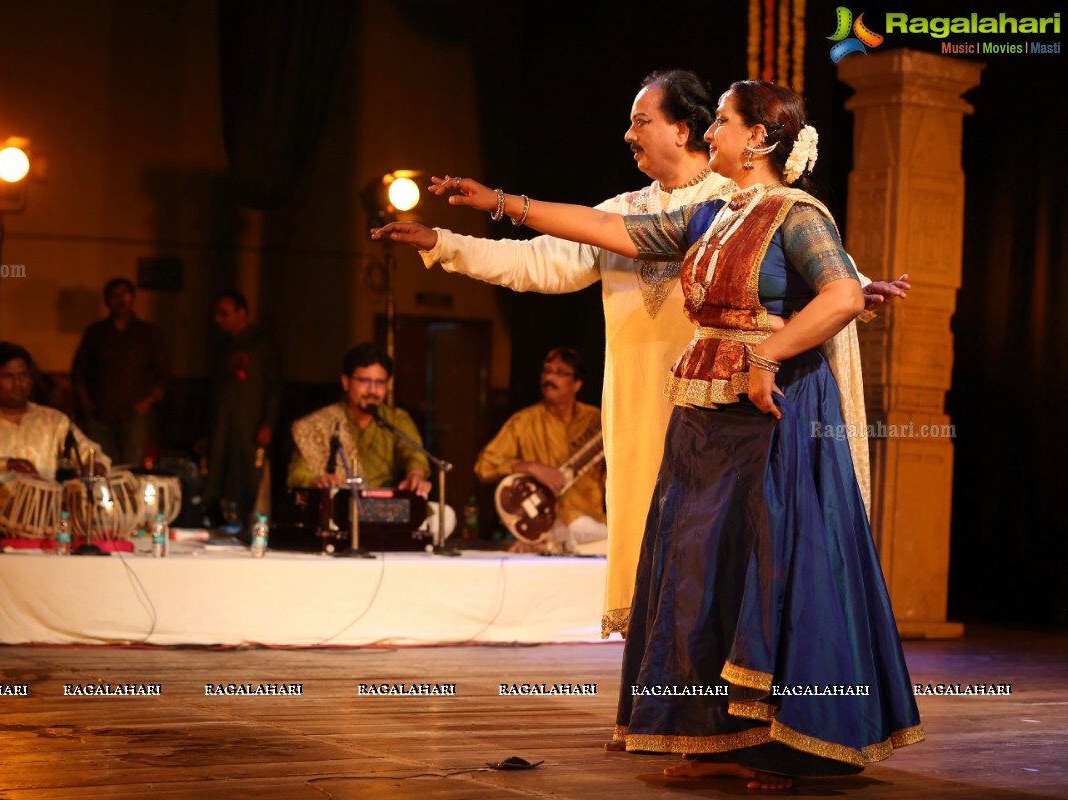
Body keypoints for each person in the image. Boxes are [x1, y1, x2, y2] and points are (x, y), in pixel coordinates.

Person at [377, 80, 922, 789]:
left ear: (753, 137)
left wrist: (778, 345)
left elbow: (829, 284)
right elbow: (602, 233)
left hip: (763, 422)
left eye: (722, 121)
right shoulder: (711, 216)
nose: (711, 132)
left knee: (763, 577)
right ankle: (708, 739)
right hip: (699, 422)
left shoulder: (789, 210)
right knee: (698, 580)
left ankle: (786, 744)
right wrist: (498, 204)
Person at [0, 342, 110, 546]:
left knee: (102, 515)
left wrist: (96, 465)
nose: (18, 383)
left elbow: (88, 451)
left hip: (43, 516)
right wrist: (5, 465)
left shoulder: (53, 421)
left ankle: (23, 542)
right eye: (8, 376)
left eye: (24, 375)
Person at [475, 347, 606, 554]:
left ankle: (553, 547)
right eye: (546, 371)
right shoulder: (523, 422)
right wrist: (530, 467)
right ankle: (554, 545)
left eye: (560, 372)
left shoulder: (598, 421)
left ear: (577, 384)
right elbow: (484, 466)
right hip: (548, 523)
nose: (549, 377)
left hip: (592, 525)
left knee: (619, 541)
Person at [287, 342, 431, 497]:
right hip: (336, 508)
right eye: (364, 381)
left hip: (385, 507)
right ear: (346, 382)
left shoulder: (396, 419)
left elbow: (414, 455)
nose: (373, 390)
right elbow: (296, 473)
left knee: (444, 514)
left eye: (380, 382)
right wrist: (316, 481)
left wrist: (415, 475)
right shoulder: (321, 423)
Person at [202, 291, 282, 528]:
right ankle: (220, 520)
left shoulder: (261, 344)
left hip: (252, 424)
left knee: (250, 475)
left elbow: (274, 387)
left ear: (241, 313)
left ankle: (252, 525)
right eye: (217, 314)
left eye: (224, 313)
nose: (219, 319)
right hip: (224, 424)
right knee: (220, 471)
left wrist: (268, 423)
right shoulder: (224, 346)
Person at [71, 277, 170, 466]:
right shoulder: (96, 332)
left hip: (135, 414)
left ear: (133, 299)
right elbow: (79, 371)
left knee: (132, 467)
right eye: (115, 296)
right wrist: (86, 404)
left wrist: (149, 401)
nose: (121, 300)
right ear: (108, 300)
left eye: (125, 295)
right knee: (101, 466)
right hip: (100, 413)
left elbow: (163, 372)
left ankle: (131, 496)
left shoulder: (148, 333)